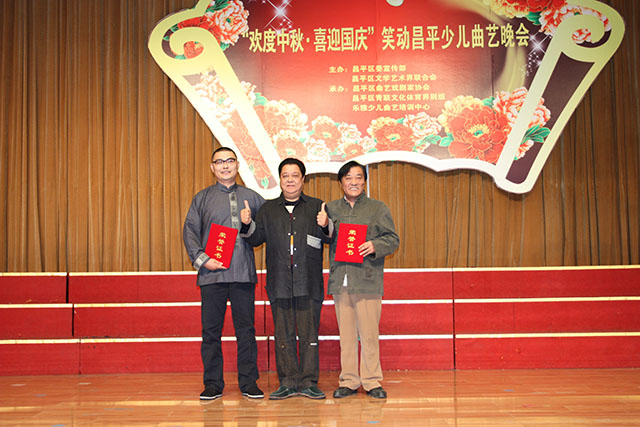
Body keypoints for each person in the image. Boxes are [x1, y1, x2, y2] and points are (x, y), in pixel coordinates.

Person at [242, 158, 331, 400]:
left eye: (295, 175)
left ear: (303, 179)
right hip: (280, 281)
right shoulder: (268, 209)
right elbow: (256, 239)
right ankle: (288, 382)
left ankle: (309, 382)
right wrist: (247, 224)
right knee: (283, 335)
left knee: (309, 335)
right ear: (280, 179)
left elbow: (330, 238)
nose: (290, 180)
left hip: (308, 281)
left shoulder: (317, 207)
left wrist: (326, 225)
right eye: (285, 176)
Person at [183, 146, 265, 401]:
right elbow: (190, 231)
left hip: (242, 274)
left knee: (246, 330)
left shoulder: (252, 197)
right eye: (219, 162)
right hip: (212, 276)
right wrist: (203, 260)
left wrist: (249, 224)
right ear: (212, 167)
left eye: (230, 160)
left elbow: (264, 233)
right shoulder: (202, 198)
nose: (225, 165)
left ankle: (249, 382)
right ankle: (212, 383)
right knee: (210, 332)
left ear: (237, 165)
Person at [323, 160, 399, 400]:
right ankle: (348, 380)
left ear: (364, 181)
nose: (353, 182)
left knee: (368, 334)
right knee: (346, 336)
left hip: (367, 279)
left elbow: (392, 239)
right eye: (348, 178)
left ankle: (371, 380)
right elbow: (324, 238)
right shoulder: (331, 209)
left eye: (358, 177)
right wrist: (323, 226)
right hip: (341, 280)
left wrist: (375, 245)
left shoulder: (377, 208)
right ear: (341, 182)